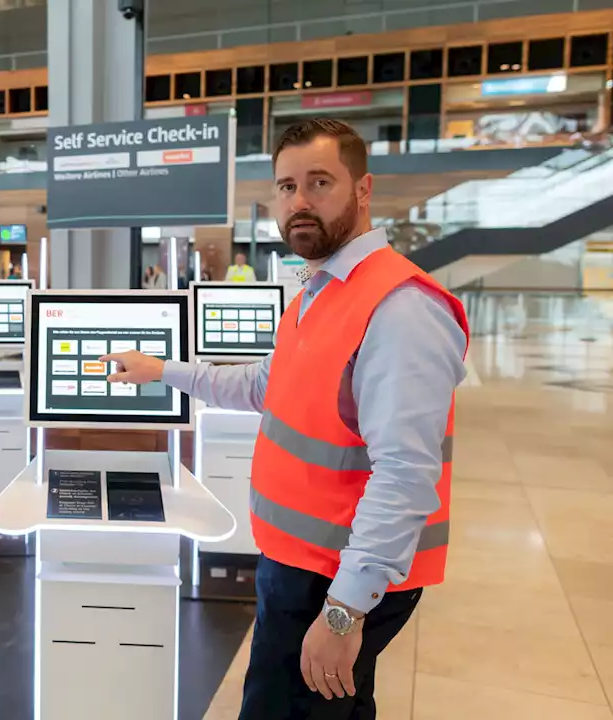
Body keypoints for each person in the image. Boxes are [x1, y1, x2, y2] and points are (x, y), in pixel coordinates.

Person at [101, 118, 467, 720]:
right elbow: (265, 387)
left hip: (331, 579)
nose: (299, 202)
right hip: (299, 565)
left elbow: (404, 473)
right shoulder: (320, 292)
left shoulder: (400, 308)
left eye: (319, 182)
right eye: (286, 186)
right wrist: (161, 370)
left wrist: (345, 610)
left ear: (363, 189)